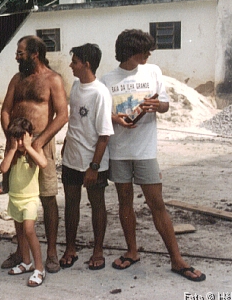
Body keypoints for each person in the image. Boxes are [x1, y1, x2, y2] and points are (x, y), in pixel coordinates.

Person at [100, 29, 205, 282]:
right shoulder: (107, 80)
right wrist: (117, 118)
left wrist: (157, 106)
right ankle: (132, 251)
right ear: (129, 52)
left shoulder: (153, 71)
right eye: (144, 50)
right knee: (125, 204)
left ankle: (177, 259)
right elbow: (102, 116)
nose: (149, 54)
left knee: (157, 204)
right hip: (119, 152)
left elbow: (166, 105)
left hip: (146, 151)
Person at [0, 35, 68, 274]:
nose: (17, 57)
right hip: (15, 143)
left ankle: (50, 252)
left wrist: (39, 141)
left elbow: (62, 115)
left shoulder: (53, 80)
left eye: (20, 53)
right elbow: (6, 110)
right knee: (17, 195)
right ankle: (22, 251)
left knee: (48, 197)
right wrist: (10, 137)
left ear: (34, 54)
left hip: (42, 142)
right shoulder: (17, 79)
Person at [60, 44, 113, 271]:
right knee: (71, 203)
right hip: (71, 158)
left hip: (93, 161)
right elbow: (74, 121)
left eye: (75, 62)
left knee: (97, 203)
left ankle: (98, 250)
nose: (71, 65)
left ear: (87, 64)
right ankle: (70, 248)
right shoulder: (74, 86)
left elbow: (104, 134)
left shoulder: (100, 92)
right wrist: (66, 146)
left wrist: (94, 166)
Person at [0, 117, 48, 287]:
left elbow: (43, 163)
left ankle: (39, 268)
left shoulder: (34, 150)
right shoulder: (12, 153)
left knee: (29, 230)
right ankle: (26, 262)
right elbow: (3, 168)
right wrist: (13, 149)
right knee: (20, 232)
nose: (20, 142)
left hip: (30, 199)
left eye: (23, 138)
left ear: (30, 135)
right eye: (16, 139)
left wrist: (28, 146)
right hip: (15, 198)